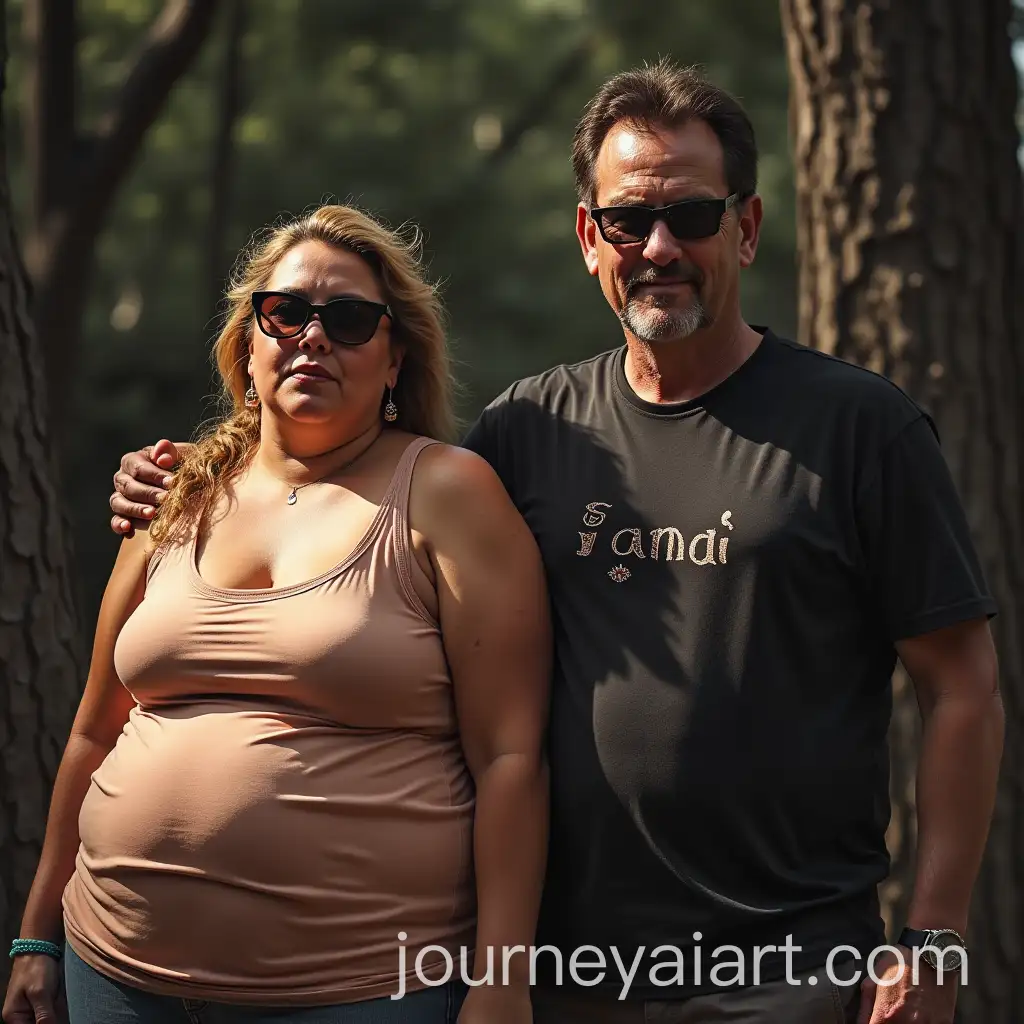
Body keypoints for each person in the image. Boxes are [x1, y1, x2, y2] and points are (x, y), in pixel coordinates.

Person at [103, 59, 1003, 1024]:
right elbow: (352, 498)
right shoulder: (530, 429)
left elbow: (963, 689)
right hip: (565, 964)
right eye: (627, 220)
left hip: (791, 965)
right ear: (589, 237)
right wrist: (193, 476)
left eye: (691, 217)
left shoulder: (862, 429)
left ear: (744, 227)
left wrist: (935, 938)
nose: (658, 246)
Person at [4, 204, 552, 1024]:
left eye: (352, 320)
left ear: (395, 358)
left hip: (359, 988)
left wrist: (501, 983)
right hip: (112, 975)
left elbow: (510, 757)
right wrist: (35, 939)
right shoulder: (175, 493)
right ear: (249, 345)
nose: (313, 336)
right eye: (286, 312)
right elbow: (94, 730)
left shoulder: (447, 493)